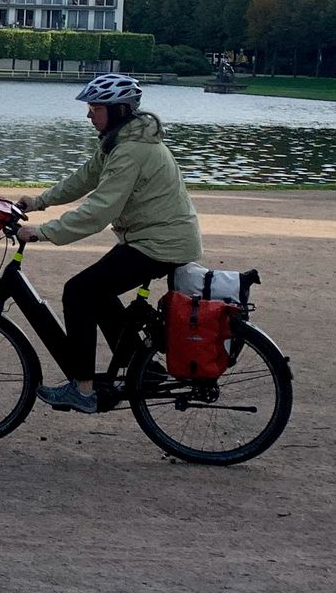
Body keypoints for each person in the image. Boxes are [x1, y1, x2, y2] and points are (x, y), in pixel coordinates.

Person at [12, 73, 202, 414]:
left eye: (95, 107)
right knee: (97, 292)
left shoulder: (131, 151)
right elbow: (84, 178)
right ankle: (145, 368)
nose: (89, 115)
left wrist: (42, 232)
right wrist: (38, 201)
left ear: (117, 110)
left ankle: (83, 389)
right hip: (153, 239)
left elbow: (98, 211)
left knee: (79, 291)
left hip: (160, 243)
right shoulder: (119, 141)